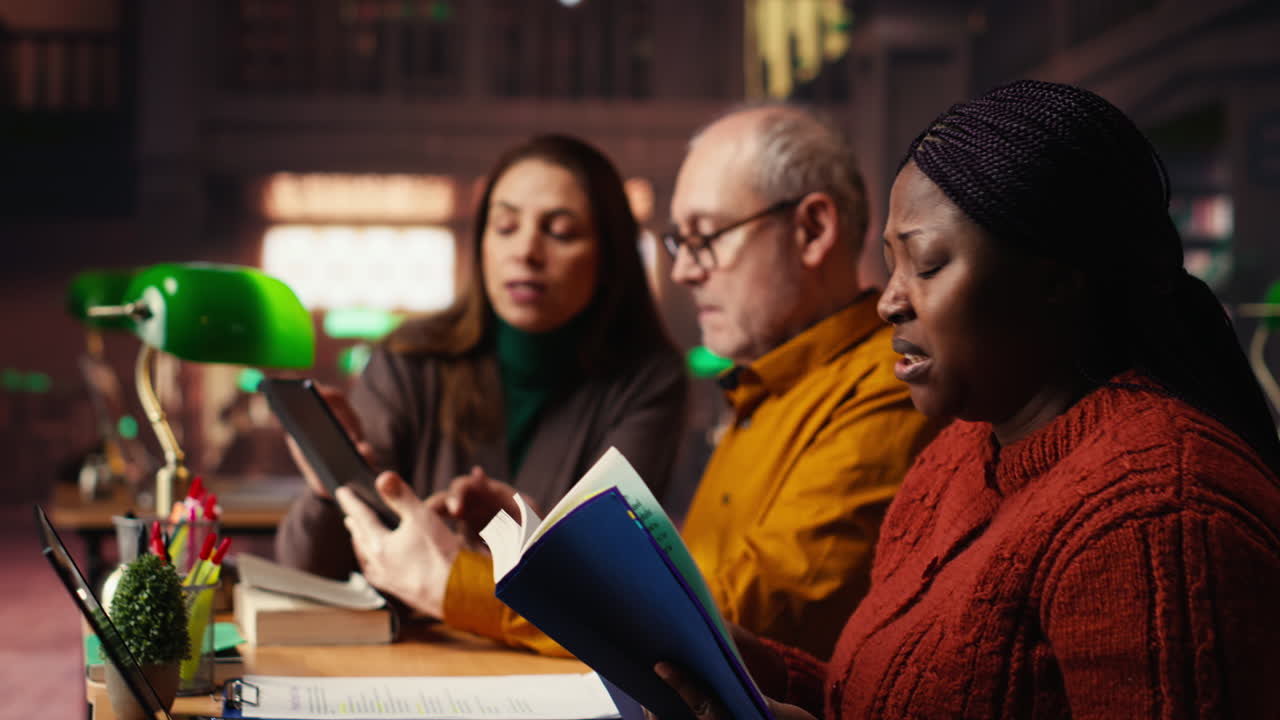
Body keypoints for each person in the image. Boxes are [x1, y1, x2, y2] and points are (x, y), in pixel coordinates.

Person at [654, 79, 1280, 719]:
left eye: (926, 265)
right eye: (892, 263)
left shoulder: (1157, 514)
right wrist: (750, 669)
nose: (889, 301)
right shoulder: (962, 450)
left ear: (1054, 280)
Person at [382, 103, 939, 659]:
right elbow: (691, 581)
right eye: (680, 243)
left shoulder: (889, 387)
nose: (683, 271)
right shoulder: (766, 386)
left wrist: (457, 583)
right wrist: (541, 545)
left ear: (812, 230)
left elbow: (734, 616)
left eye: (706, 237)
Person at [274, 134, 688, 627]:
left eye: (559, 231)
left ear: (610, 256)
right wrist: (329, 489)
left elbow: (611, 587)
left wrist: (520, 534)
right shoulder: (410, 360)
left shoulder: (649, 380)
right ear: (482, 243)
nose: (526, 251)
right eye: (506, 226)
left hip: (559, 676)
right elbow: (308, 576)